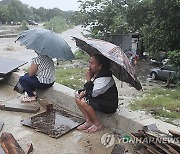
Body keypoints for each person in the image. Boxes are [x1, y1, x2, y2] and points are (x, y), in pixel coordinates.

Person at [75, 54, 118, 133]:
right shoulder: (96, 73)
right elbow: (90, 90)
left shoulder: (105, 78)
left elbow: (93, 93)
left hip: (108, 104)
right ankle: (88, 121)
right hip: (99, 97)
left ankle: (97, 125)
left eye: (92, 63)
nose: (89, 66)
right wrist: (84, 91)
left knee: (84, 101)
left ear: (100, 66)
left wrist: (88, 80)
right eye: (89, 63)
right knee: (77, 95)